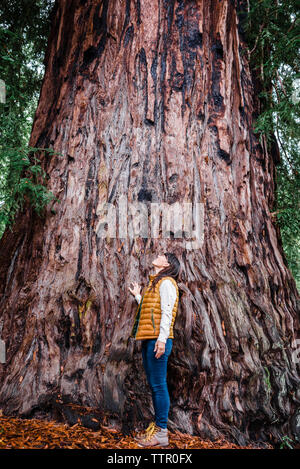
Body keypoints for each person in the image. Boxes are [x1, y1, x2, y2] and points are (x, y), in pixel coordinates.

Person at [128, 252, 181, 447]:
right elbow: (152, 310)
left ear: (167, 264)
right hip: (150, 338)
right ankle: (158, 430)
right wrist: (138, 296)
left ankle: (161, 432)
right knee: (154, 384)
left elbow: (167, 313)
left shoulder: (167, 283)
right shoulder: (157, 283)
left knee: (159, 385)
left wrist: (161, 340)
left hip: (158, 340)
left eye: (162, 255)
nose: (158, 255)